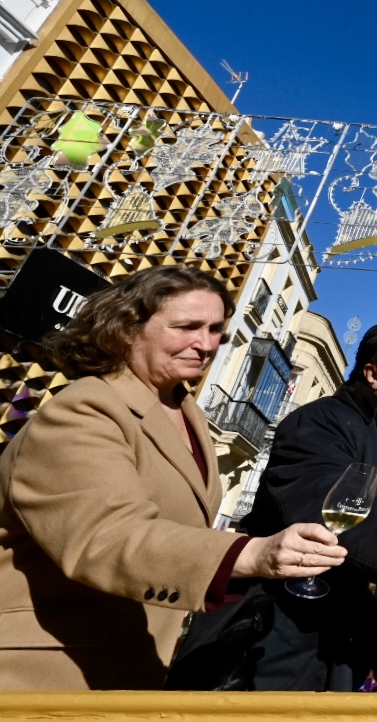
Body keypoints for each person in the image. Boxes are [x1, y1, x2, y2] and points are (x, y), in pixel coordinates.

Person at [0, 266, 344, 690]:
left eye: (216, 329)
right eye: (186, 327)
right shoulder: (85, 409)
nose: (206, 344)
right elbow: (106, 536)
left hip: (133, 665)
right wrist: (249, 554)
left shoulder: (187, 412)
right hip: (43, 671)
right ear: (127, 328)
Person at [193, 319, 377, 691]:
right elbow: (327, 502)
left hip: (373, 644)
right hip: (290, 637)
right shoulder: (319, 422)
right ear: (373, 374)